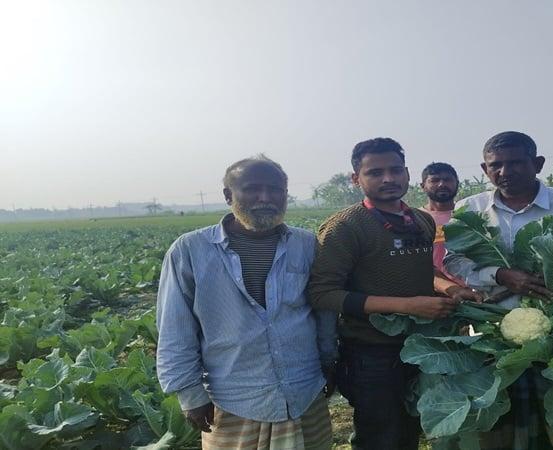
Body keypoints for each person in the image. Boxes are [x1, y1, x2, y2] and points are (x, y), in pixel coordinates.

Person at [307, 138, 480, 450]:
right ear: (355, 179)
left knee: (410, 428)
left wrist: (451, 287)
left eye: (395, 170)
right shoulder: (345, 227)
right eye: (375, 172)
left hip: (421, 346)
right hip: (370, 352)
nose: (388, 178)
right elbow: (324, 294)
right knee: (380, 436)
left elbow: (423, 271)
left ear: (407, 173)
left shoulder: (421, 219)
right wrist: (408, 306)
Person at [156, 155, 336, 450]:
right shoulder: (190, 250)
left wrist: (329, 361)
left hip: (303, 391)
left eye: (275, 190)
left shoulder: (305, 245)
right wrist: (190, 395)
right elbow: (175, 329)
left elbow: (323, 313)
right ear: (229, 196)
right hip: (233, 399)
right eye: (252, 189)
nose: (265, 198)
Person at [443, 131, 553, 449]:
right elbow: (454, 261)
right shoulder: (470, 210)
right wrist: (499, 274)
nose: (504, 172)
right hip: (494, 335)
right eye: (495, 165)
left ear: (537, 164)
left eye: (515, 163)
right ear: (484, 170)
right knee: (506, 423)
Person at [420, 162, 468, 291]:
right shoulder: (415, 219)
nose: (442, 184)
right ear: (423, 186)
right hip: (433, 292)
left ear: (457, 184)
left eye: (447, 180)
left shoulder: (468, 215)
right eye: (434, 180)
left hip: (473, 289)